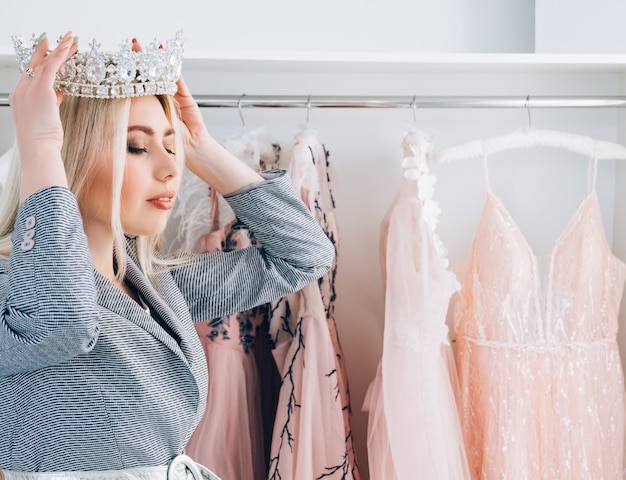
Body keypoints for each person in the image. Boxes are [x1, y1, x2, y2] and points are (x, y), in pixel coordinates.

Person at [0, 30, 335, 479]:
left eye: (171, 146)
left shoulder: (156, 286)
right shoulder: (15, 289)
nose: (169, 168)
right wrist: (39, 141)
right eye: (138, 146)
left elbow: (304, 255)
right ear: (68, 152)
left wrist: (201, 148)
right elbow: (64, 320)